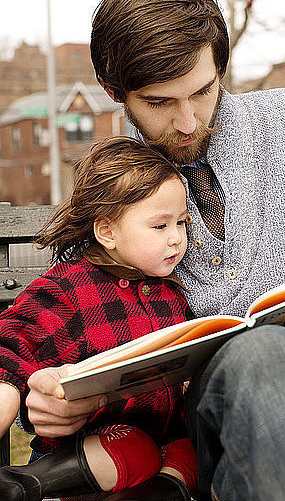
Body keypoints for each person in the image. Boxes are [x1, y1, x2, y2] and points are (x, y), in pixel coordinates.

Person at [15, 0, 285, 501]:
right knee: (264, 357)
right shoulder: (112, 198)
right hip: (222, 398)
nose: (189, 122)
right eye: (159, 103)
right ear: (112, 89)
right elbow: (72, 337)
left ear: (221, 67)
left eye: (202, 91)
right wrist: (59, 402)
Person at [0, 136, 197, 501]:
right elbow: (12, 347)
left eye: (182, 224)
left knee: (185, 451)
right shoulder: (69, 289)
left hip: (157, 458)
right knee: (131, 445)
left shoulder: (173, 295)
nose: (176, 239)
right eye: (160, 226)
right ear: (106, 231)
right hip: (81, 464)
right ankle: (20, 486)